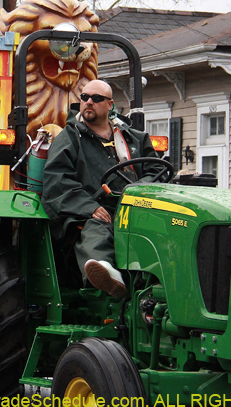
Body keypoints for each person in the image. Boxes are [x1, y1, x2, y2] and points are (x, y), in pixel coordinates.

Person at [41, 79, 160, 298]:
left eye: (96, 98)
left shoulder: (135, 138)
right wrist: (90, 207)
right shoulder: (69, 138)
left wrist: (138, 190)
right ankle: (106, 272)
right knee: (97, 227)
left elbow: (157, 172)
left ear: (110, 104)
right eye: (85, 97)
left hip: (136, 208)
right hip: (89, 210)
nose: (89, 102)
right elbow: (57, 181)